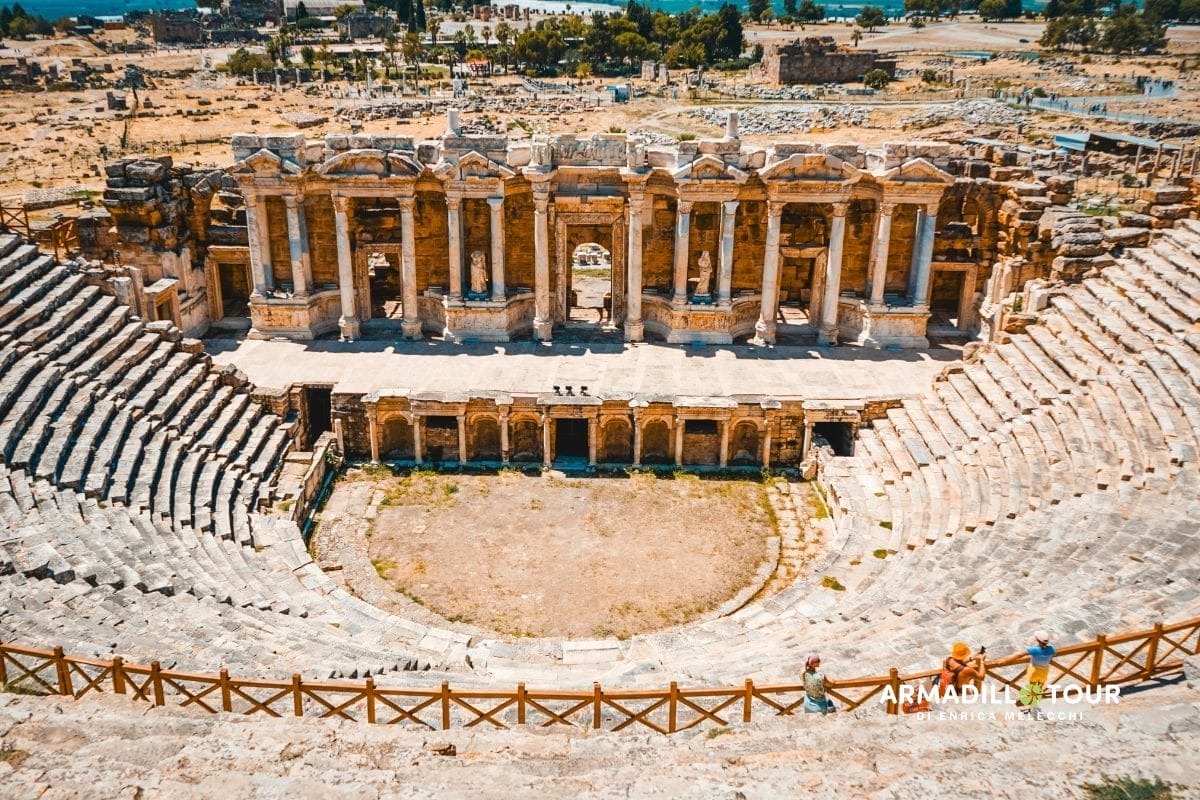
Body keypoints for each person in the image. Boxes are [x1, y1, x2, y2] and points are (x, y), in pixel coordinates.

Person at [1017, 630, 1055, 708]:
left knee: (1031, 687)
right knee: (1039, 688)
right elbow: (1051, 657)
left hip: (1034, 671)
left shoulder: (1034, 649)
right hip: (1044, 671)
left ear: (1037, 640)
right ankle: (1034, 704)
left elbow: (1020, 654)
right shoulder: (1051, 649)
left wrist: (1003, 661)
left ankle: (1029, 703)